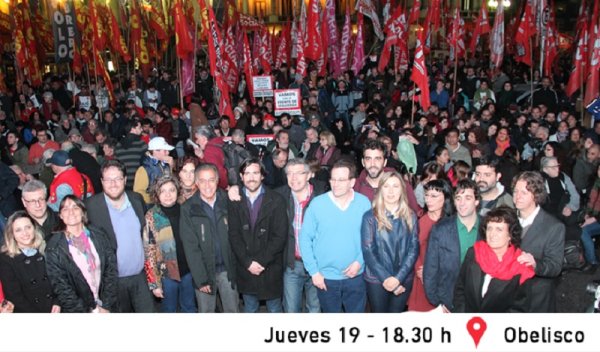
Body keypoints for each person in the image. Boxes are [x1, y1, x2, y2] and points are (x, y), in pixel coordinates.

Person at [300, 159, 372, 312]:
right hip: (326, 278)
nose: (335, 184)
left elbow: (371, 238)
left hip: (356, 276)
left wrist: (360, 262)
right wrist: (314, 272)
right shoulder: (317, 204)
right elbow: (305, 239)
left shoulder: (364, 203)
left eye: (341, 180)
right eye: (333, 179)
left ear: (352, 182)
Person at [85, 160, 155, 312]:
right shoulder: (91, 206)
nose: (113, 184)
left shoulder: (137, 200)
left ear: (124, 180)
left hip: (141, 278)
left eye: (117, 178)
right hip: (112, 283)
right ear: (102, 182)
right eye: (108, 180)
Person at [228, 158, 288, 313]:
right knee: (250, 308)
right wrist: (248, 263)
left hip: (270, 266)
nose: (251, 177)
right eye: (247, 173)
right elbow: (234, 235)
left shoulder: (277, 200)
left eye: (255, 173)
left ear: (262, 175)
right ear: (241, 177)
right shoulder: (234, 200)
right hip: (246, 267)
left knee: (275, 308)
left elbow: (280, 236)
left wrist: (260, 262)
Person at [180, 163, 240, 313]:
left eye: (211, 180)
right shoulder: (188, 208)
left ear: (217, 181)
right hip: (205, 272)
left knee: (233, 311)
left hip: (228, 271)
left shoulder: (228, 201)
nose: (207, 185)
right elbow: (190, 247)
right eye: (202, 181)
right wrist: (201, 279)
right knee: (206, 312)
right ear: (196, 183)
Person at [453, 207, 535, 312]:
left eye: (499, 229)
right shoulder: (474, 253)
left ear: (510, 235)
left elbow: (519, 309)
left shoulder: (521, 267)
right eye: (489, 228)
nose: (492, 234)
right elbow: (460, 289)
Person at [45, 196, 118, 313]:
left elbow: (111, 269)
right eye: (65, 209)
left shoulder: (99, 235)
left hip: (106, 306)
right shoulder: (54, 247)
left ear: (83, 212)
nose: (71, 212)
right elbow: (62, 287)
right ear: (60, 215)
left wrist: (106, 305)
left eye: (75, 207)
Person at [361, 171, 419, 312]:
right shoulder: (370, 217)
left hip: (403, 277)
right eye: (386, 186)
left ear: (402, 190)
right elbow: (368, 251)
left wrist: (397, 279)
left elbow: (413, 249)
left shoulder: (411, 216)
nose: (391, 191)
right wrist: (387, 278)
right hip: (377, 278)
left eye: (395, 186)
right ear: (381, 189)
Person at [275, 158, 326, 313]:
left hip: (318, 264)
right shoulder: (278, 197)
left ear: (309, 175)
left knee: (315, 309)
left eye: (299, 173)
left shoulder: (322, 197)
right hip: (292, 264)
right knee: (291, 310)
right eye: (290, 173)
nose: (294, 178)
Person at [423, 179, 481, 311]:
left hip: (478, 302)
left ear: (476, 201)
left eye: (467, 198)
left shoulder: (487, 229)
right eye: (458, 198)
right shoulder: (440, 229)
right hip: (448, 302)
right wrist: (438, 303)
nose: (462, 203)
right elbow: (430, 270)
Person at [512, 171, 565, 312]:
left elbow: (554, 266)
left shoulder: (553, 227)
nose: (517, 196)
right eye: (516, 191)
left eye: (523, 192)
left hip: (535, 298)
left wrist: (535, 264)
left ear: (536, 195)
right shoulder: (507, 219)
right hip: (508, 295)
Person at [142, 176, 196, 313]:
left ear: (178, 191)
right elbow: (149, 251)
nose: (168, 195)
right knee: (169, 310)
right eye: (163, 191)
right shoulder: (152, 216)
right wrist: (154, 284)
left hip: (189, 272)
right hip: (166, 276)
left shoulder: (186, 209)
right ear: (157, 194)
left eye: (172, 190)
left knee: (189, 308)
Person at [408, 180, 455, 311]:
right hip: (422, 276)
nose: (428, 200)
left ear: (445, 197)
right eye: (427, 195)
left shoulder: (452, 222)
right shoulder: (421, 220)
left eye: (434, 196)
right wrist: (421, 270)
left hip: (444, 278)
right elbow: (413, 249)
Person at [0, 211, 60, 313]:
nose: (25, 233)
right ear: (12, 234)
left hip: (55, 309)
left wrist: (57, 302)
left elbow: (59, 280)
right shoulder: (6, 259)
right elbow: (14, 297)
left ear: (34, 228)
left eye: (28, 227)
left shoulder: (46, 248)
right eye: (18, 230)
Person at [354, 140, 420, 212]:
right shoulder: (355, 187)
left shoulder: (402, 185)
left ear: (385, 162)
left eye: (377, 159)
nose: (372, 164)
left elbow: (413, 215)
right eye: (368, 159)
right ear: (363, 162)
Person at [133, 136, 174, 204]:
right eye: (165, 151)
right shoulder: (144, 169)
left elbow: (170, 181)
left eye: (168, 151)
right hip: (151, 206)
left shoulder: (164, 164)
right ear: (155, 151)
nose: (168, 153)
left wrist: (171, 167)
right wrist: (154, 200)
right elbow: (138, 192)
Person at [114, 119, 147, 190]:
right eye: (139, 127)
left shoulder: (118, 145)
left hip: (123, 180)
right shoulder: (141, 144)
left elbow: (116, 163)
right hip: (138, 180)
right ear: (133, 129)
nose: (142, 130)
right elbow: (147, 162)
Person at [192, 125, 228, 190]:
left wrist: (224, 188)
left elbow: (219, 172)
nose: (196, 142)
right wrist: (202, 156)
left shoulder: (209, 151)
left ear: (204, 139)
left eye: (197, 139)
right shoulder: (219, 140)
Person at [580, 164, 600, 271]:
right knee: (582, 230)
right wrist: (587, 214)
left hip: (597, 219)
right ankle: (592, 260)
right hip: (593, 216)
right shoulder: (595, 183)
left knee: (583, 230)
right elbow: (590, 201)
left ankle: (591, 259)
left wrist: (594, 219)